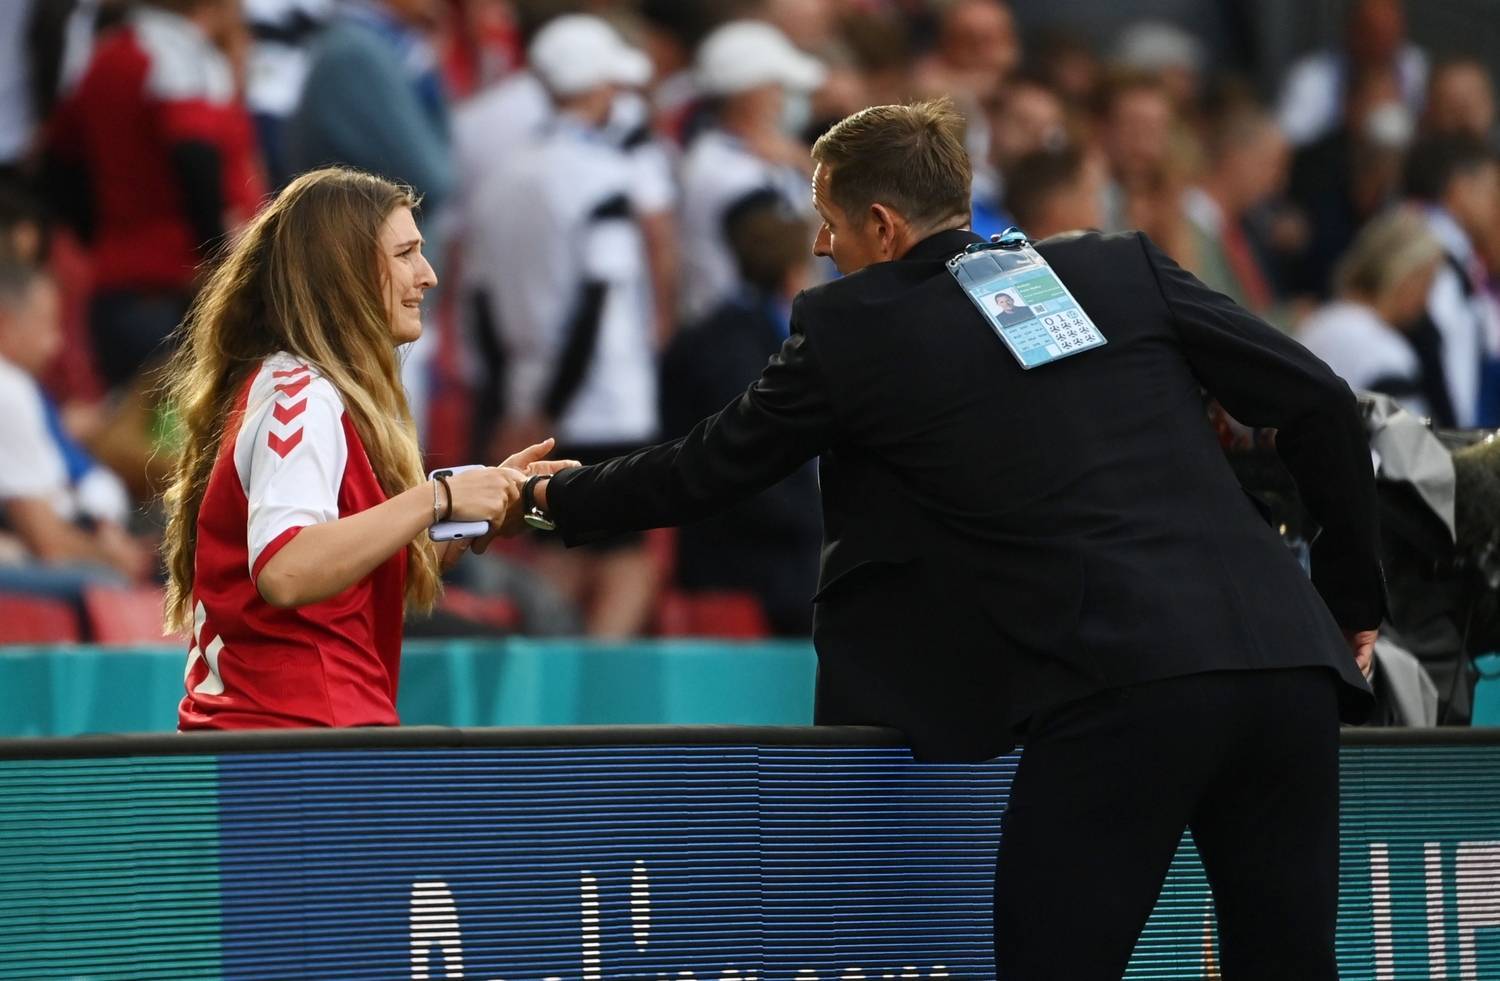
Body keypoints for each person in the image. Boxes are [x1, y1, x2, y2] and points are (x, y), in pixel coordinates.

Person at [518, 99, 1382, 979]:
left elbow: (705, 468)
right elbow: (1320, 400)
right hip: (1287, 663)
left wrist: (543, 498)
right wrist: (1350, 601)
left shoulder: (852, 328)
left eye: (828, 221)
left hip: (1124, 685)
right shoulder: (1117, 268)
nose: (820, 246)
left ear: (882, 226)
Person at [162, 167, 563, 730]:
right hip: (292, 750)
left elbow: (340, 580)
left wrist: (484, 507)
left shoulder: (303, 390)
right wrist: (440, 498)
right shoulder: (301, 395)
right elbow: (287, 569)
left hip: (293, 747)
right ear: (344, 272)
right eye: (406, 254)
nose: (428, 276)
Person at [467, 16, 661, 638]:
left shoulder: (500, 178)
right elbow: (599, 299)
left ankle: (551, 699)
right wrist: (553, 403)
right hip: (606, 398)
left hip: (528, 394)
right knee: (626, 557)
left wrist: (515, 401)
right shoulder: (605, 175)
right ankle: (594, 709)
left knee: (552, 544)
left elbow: (481, 302)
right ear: (598, 88)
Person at [43, 0, 264, 392]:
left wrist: (100, 236)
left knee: (137, 446)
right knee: (179, 446)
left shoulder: (104, 56)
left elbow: (59, 160)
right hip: (176, 296)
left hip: (119, 289)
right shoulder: (178, 53)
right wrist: (218, 263)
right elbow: (194, 153)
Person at [660, 195, 821, 635]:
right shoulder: (736, 349)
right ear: (793, 273)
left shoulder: (717, 333)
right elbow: (749, 465)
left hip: (761, 546)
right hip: (747, 559)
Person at [0, 260, 148, 594]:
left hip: (75, 525)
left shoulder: (23, 389)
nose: (55, 344)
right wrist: (113, 557)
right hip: (26, 561)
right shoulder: (9, 389)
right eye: (45, 325)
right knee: (111, 583)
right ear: (5, 324)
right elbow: (47, 542)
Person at [677, 19, 825, 322]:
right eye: (778, 88)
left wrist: (801, 161)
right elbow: (788, 268)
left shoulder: (760, 154)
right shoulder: (726, 171)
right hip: (746, 342)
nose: (784, 99)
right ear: (751, 96)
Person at [1298, 207, 1444, 418]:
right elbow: (1406, 448)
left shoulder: (1318, 322)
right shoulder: (1387, 353)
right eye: (1427, 283)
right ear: (1405, 276)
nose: (1426, 302)